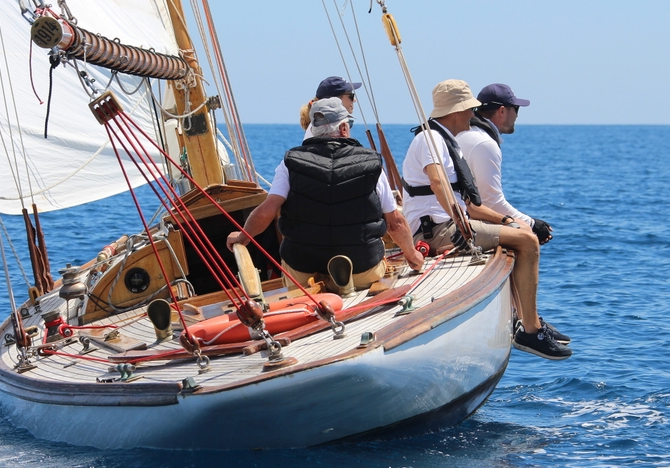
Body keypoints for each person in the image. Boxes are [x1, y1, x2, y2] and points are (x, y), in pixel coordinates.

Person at [400, 79, 571, 360]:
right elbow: (438, 183)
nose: (474, 114)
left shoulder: (446, 140)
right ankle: (530, 331)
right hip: (436, 231)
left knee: (522, 233)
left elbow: (472, 205)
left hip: (448, 225)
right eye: (470, 109)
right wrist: (462, 225)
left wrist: (506, 221)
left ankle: (527, 320)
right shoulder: (430, 139)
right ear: (457, 111)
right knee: (528, 243)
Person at [228, 97, 423, 294]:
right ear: (344, 128)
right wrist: (412, 255)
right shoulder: (372, 164)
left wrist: (243, 237)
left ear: (313, 129)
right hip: (361, 269)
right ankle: (345, 281)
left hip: (303, 270)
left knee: (295, 267)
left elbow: (267, 211)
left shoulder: (289, 163)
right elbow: (394, 223)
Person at [455, 83, 553, 244]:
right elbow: (490, 202)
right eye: (516, 109)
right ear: (502, 111)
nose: (517, 116)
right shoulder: (484, 143)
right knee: (527, 237)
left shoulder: (467, 133)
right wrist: (532, 224)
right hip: (457, 223)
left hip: (448, 215)